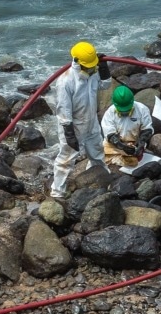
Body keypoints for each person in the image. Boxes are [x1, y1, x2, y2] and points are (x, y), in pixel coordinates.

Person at [48, 41, 105, 199]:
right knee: (66, 159)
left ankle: (99, 178)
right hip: (74, 126)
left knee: (97, 152)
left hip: (92, 121)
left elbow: (105, 86)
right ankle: (57, 191)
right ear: (78, 63)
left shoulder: (93, 73)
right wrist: (69, 132)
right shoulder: (66, 81)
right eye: (89, 65)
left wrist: (104, 69)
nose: (91, 68)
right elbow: (63, 109)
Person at [100, 85, 153, 170]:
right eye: (122, 111)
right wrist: (121, 146)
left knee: (134, 161)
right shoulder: (109, 113)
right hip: (115, 144)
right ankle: (118, 160)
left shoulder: (142, 109)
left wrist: (141, 142)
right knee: (99, 156)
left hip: (135, 143)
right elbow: (109, 134)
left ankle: (119, 160)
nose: (125, 112)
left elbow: (147, 128)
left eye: (128, 110)